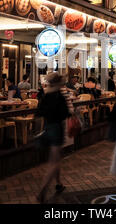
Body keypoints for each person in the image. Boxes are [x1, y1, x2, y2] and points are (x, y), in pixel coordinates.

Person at [36, 73, 73, 203]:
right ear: (58, 83)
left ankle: (59, 183)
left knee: (56, 157)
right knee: (54, 162)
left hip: (47, 128)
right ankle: (43, 190)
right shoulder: (59, 96)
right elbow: (66, 113)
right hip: (57, 129)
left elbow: (39, 111)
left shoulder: (46, 95)